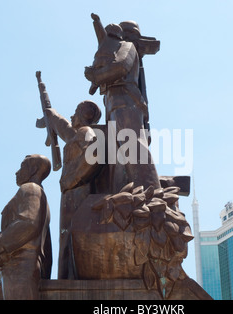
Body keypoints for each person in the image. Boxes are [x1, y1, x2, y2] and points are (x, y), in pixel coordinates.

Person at [85, 13, 160, 193]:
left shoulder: (127, 47)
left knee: (131, 144)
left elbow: (121, 67)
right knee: (117, 155)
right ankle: (127, 191)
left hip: (125, 100)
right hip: (113, 102)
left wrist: (96, 75)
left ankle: (151, 190)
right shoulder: (112, 49)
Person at [0, 154, 52, 300]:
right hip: (15, 269)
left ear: (34, 169)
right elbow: (47, 250)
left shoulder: (30, 189)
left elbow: (28, 224)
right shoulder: (40, 195)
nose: (17, 172)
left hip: (19, 267)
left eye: (22, 166)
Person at [42, 100, 102, 279]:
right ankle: (67, 276)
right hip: (71, 192)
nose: (72, 116)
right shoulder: (78, 134)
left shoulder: (85, 132)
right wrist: (51, 114)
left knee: (70, 235)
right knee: (66, 236)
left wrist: (72, 179)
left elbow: (94, 154)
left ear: (85, 115)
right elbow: (63, 127)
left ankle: (70, 278)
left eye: (76, 112)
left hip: (77, 191)